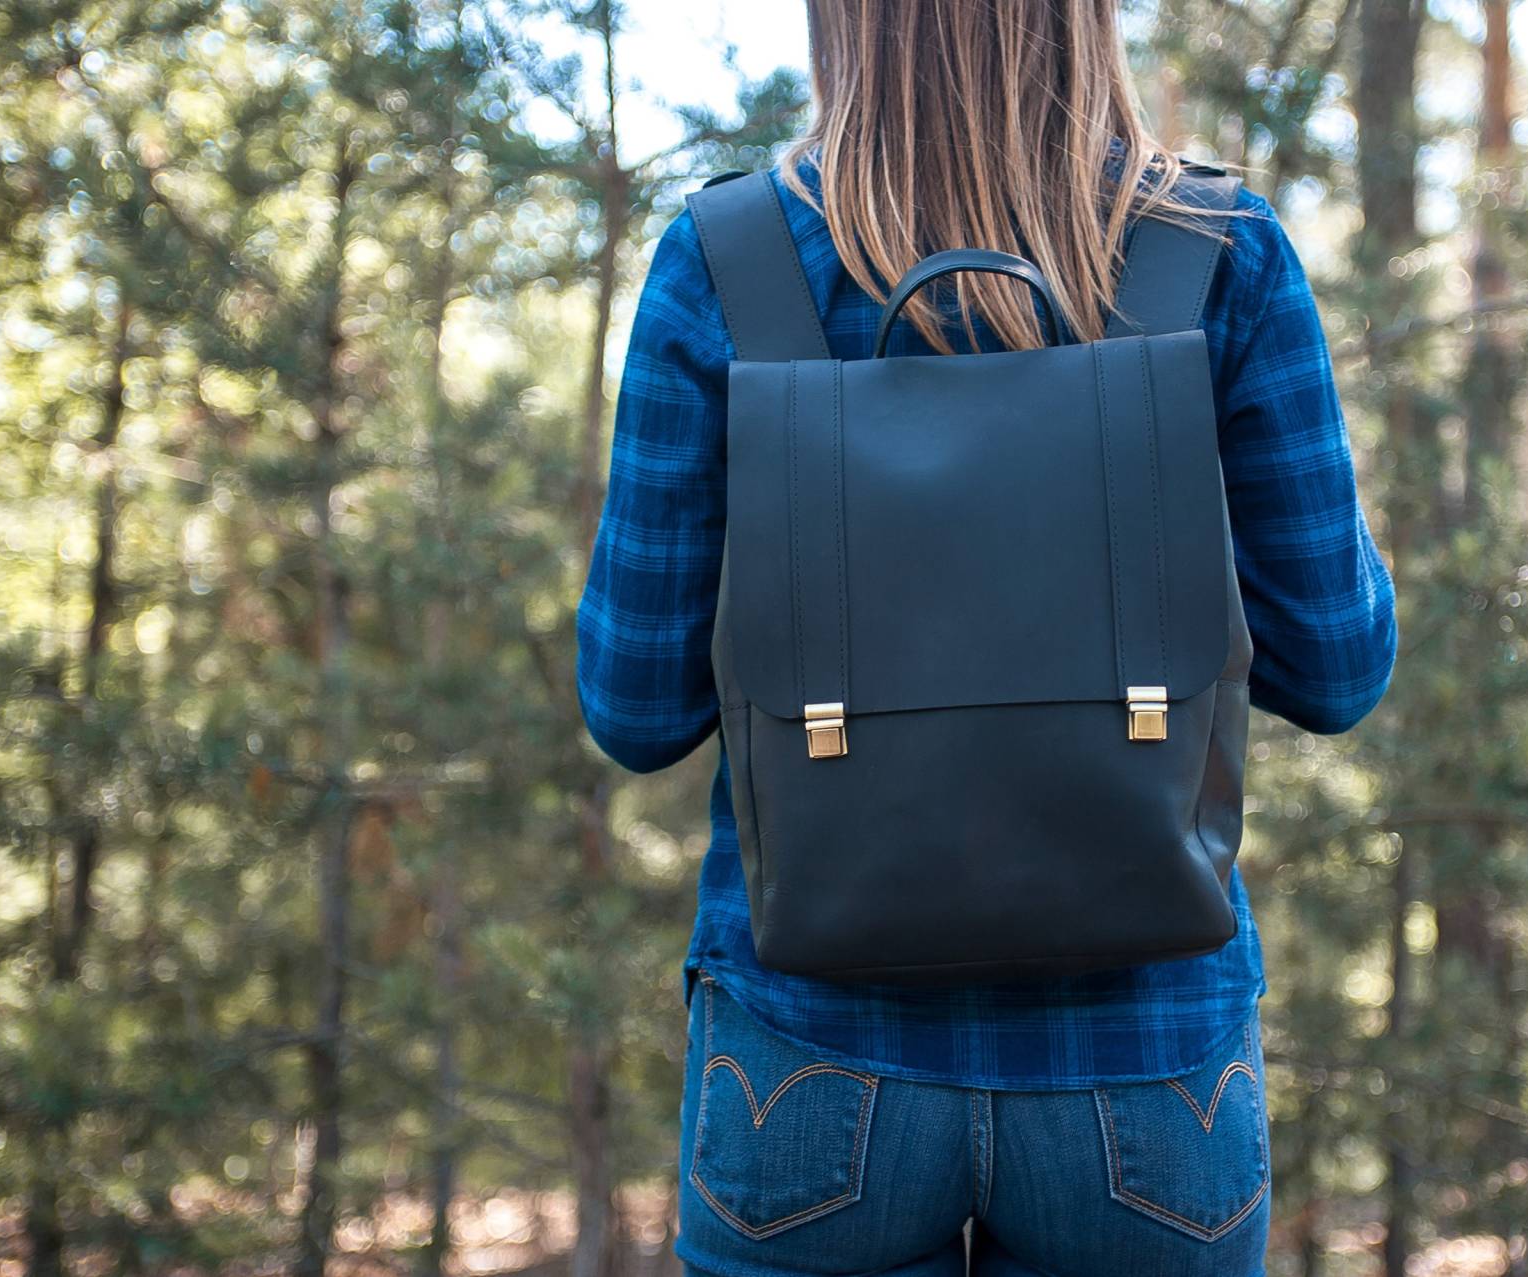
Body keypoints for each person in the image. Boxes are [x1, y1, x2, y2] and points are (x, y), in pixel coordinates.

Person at [574, 1, 1396, 1272]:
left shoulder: (728, 258)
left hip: (812, 1059)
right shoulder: (1215, 251)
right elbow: (1337, 665)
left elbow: (635, 707)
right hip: (1146, 1071)